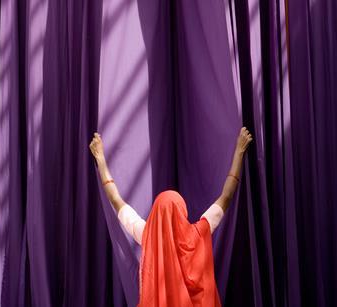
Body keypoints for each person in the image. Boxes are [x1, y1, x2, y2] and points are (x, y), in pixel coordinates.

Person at [89, 127, 253, 307]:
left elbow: (116, 200)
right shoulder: (198, 233)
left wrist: (101, 159)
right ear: (183, 212)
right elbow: (226, 197)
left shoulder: (148, 236)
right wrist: (238, 152)